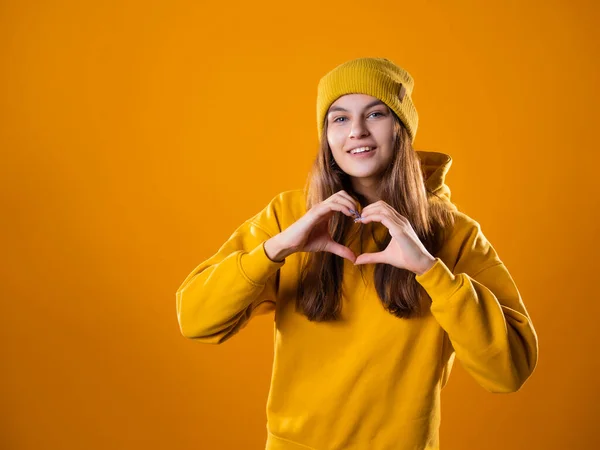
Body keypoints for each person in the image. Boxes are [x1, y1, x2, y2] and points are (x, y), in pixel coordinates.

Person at [175, 57, 539, 450]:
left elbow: (508, 372)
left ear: (401, 128)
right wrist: (276, 249)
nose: (358, 132)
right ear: (326, 135)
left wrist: (431, 271)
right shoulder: (289, 215)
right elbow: (196, 320)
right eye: (340, 118)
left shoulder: (453, 234)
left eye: (376, 114)